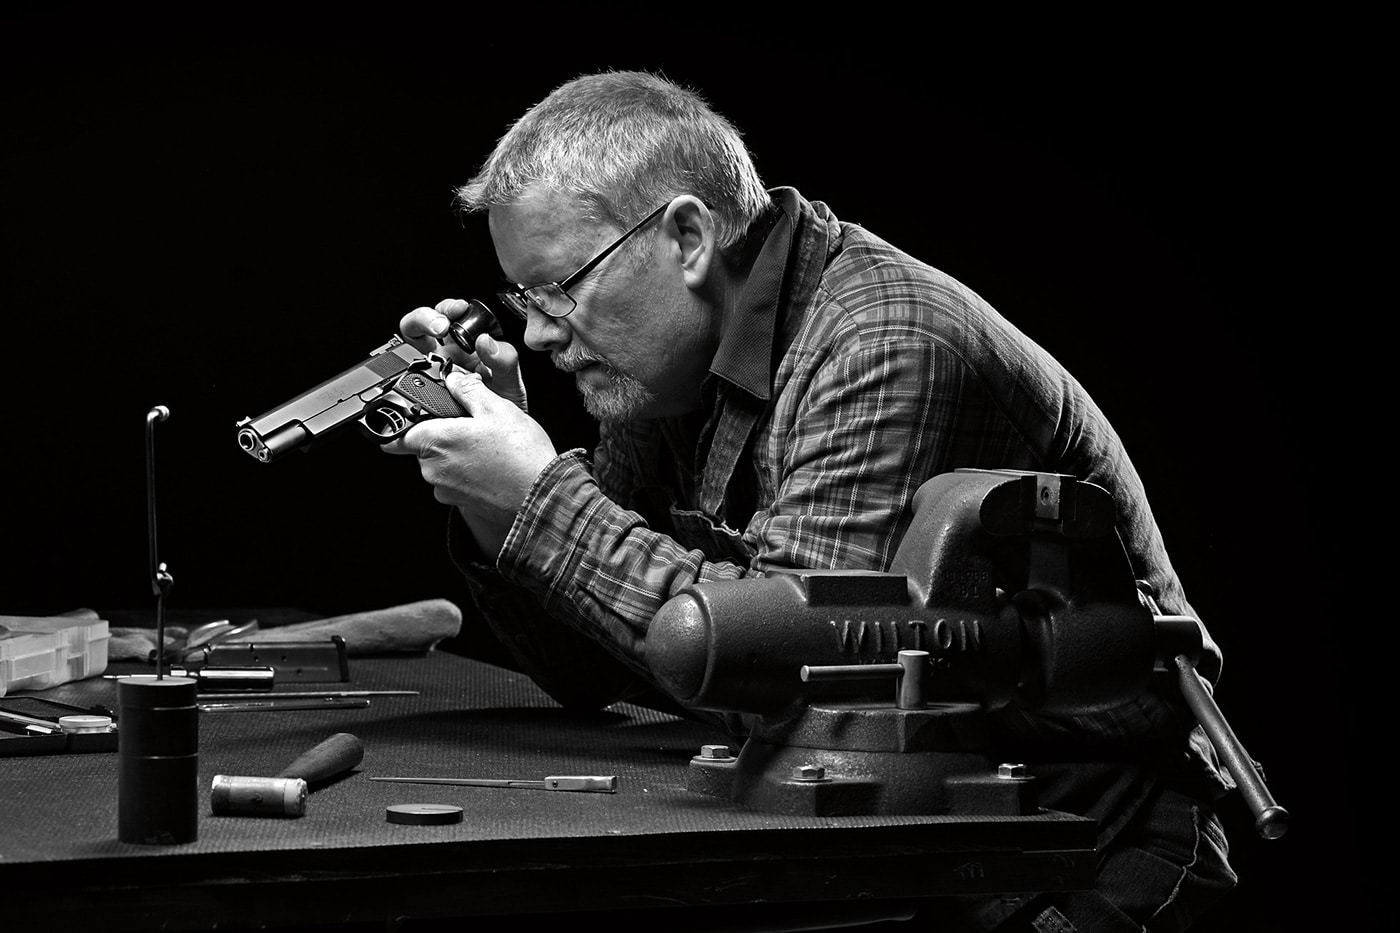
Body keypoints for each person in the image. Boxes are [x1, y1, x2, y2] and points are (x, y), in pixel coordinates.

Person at [386, 70, 1237, 932]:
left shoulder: (886, 344)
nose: (538, 332)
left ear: (687, 235)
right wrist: (498, 500)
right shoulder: (666, 379)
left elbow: (804, 686)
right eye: (525, 300)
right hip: (908, 826)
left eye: (560, 288)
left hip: (1084, 842)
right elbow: (592, 668)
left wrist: (541, 495)